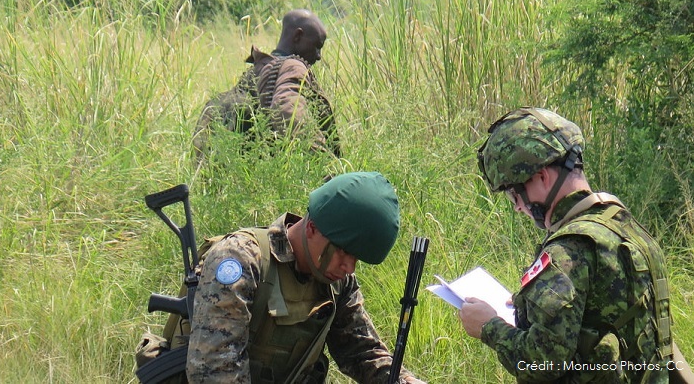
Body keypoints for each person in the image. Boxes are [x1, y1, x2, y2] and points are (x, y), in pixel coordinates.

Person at [463, 107, 680, 382]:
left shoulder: (567, 253)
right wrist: (528, 305)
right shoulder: (631, 230)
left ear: (542, 177)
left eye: (513, 194)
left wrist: (488, 327)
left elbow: (544, 363)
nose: (518, 207)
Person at [185, 172, 424, 383]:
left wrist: (404, 380)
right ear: (311, 228)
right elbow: (214, 368)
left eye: (357, 258)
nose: (349, 267)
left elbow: (360, 351)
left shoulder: (336, 282)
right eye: (344, 251)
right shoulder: (242, 260)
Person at [192, 9, 340, 162]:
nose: (318, 56)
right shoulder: (293, 66)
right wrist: (322, 162)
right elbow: (287, 108)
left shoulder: (258, 68)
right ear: (298, 36)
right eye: (317, 46)